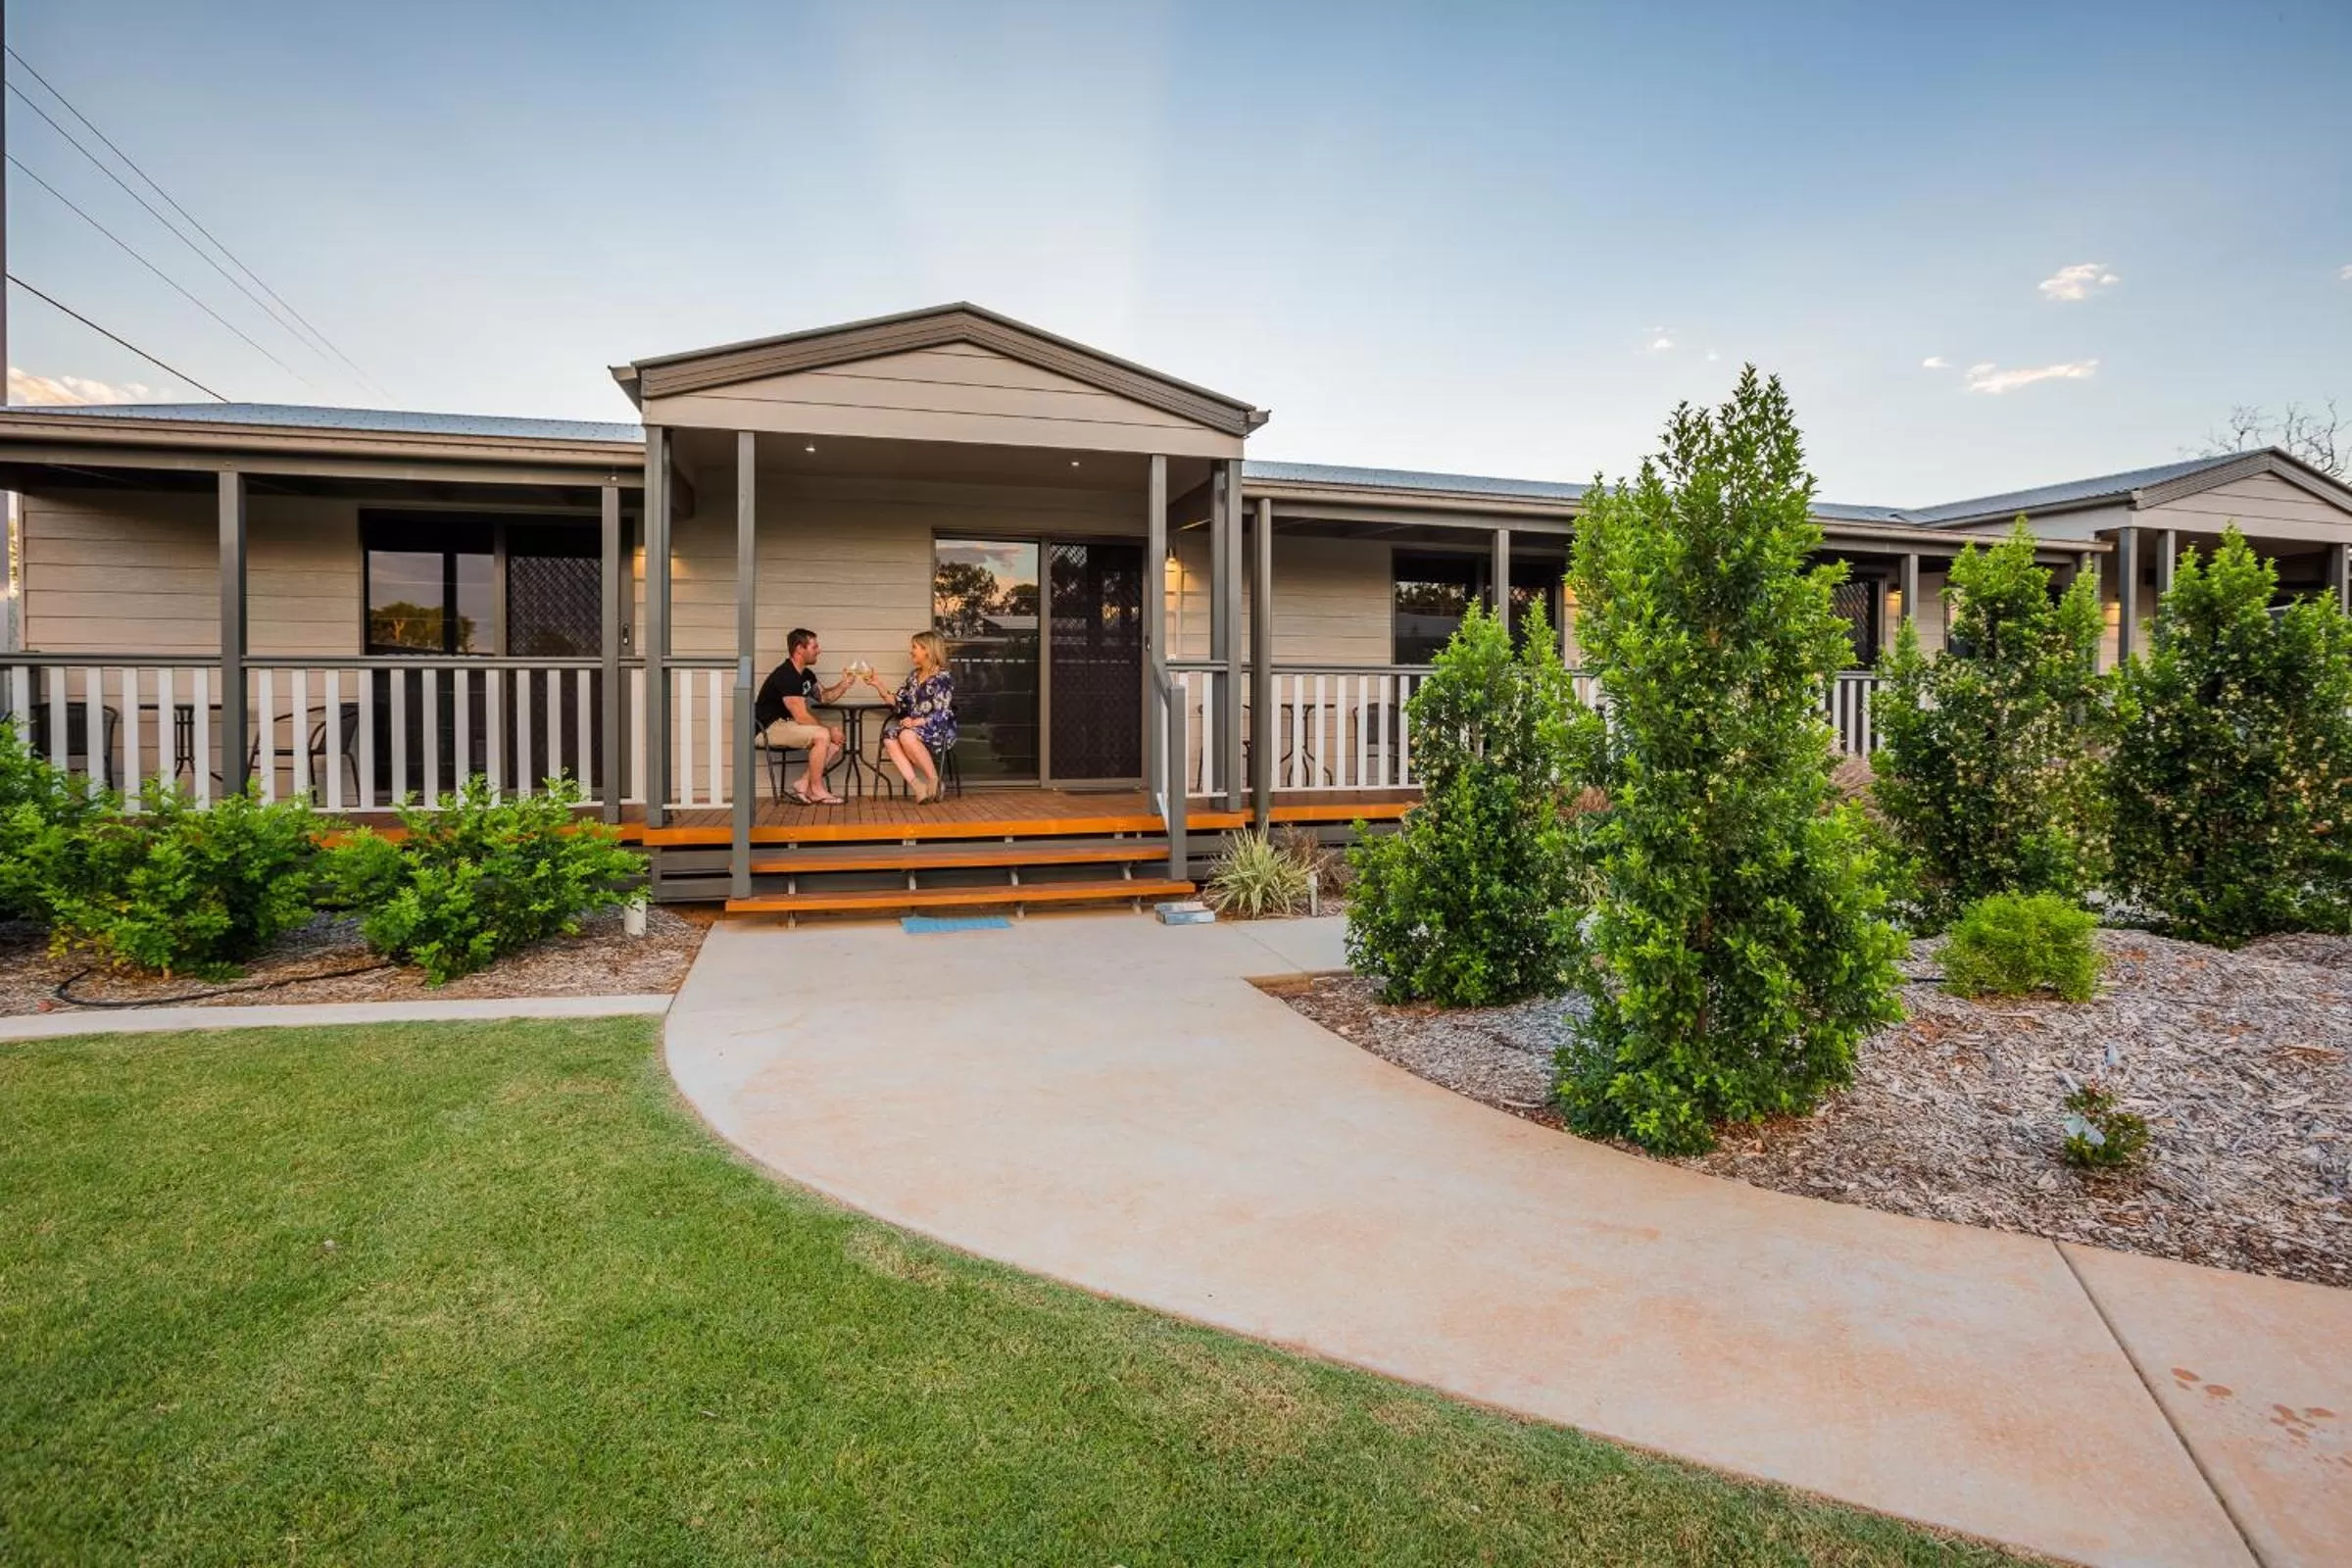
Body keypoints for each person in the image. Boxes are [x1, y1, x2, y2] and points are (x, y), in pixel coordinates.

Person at [756, 627, 854, 805]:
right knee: (823, 735)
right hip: (768, 728)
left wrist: (844, 684)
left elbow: (825, 697)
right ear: (799, 649)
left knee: (834, 744)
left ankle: (803, 783)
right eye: (814, 647)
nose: (819, 650)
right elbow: (801, 716)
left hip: (787, 724)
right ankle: (816, 790)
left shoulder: (806, 674)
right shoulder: (786, 675)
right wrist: (829, 730)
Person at [866, 630, 957, 804]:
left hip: (938, 729)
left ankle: (934, 780)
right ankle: (918, 787)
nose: (911, 651)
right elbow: (900, 702)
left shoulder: (943, 677)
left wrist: (915, 722)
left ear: (927, 650)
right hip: (914, 728)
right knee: (889, 738)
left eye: (915, 647)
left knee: (906, 735)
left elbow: (942, 712)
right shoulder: (913, 676)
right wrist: (878, 685)